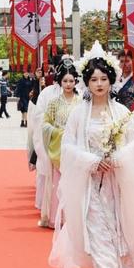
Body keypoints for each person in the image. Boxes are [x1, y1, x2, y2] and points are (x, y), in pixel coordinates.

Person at [49, 41, 134, 268]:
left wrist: (117, 157)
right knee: (94, 224)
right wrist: (91, 161)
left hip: (116, 180)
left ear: (111, 82)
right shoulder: (78, 114)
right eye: (94, 79)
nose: (99, 84)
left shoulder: (121, 112)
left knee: (119, 225)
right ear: (86, 82)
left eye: (104, 79)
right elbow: (68, 146)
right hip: (91, 181)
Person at [38, 61, 81, 228]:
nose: (68, 84)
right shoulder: (54, 103)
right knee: (58, 183)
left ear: (76, 81)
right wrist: (57, 132)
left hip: (76, 148)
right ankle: (56, 217)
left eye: (71, 81)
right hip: (58, 147)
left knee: (74, 184)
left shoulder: (81, 103)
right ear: (60, 82)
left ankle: (73, 218)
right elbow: (45, 124)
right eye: (65, 81)